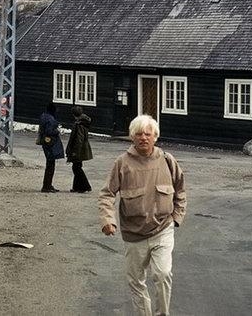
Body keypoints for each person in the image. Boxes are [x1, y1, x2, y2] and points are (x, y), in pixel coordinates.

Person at [99, 115, 186, 316]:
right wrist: (107, 220)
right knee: (136, 280)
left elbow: (180, 189)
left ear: (155, 136)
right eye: (138, 134)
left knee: (163, 274)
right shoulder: (122, 163)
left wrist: (177, 216)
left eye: (148, 134)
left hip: (163, 228)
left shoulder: (167, 160)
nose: (143, 138)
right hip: (133, 234)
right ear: (132, 137)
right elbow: (107, 193)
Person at [65, 106, 93, 193]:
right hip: (82, 148)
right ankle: (76, 187)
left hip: (79, 149)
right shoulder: (84, 122)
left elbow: (79, 139)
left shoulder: (79, 124)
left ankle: (85, 186)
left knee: (76, 168)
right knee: (77, 166)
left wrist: (75, 151)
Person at [38, 102, 64, 193]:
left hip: (45, 142)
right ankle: (47, 186)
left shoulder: (43, 116)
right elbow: (49, 131)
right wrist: (57, 131)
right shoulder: (50, 119)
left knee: (49, 165)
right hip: (50, 143)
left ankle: (47, 185)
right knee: (50, 166)